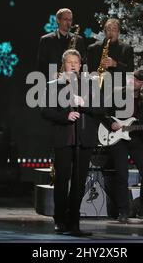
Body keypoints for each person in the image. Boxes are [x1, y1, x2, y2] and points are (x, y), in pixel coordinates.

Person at [41, 49, 103, 236]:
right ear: (64, 65)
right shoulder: (54, 85)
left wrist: (84, 104)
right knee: (62, 180)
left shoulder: (90, 85)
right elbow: (45, 111)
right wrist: (65, 115)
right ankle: (60, 220)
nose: (74, 65)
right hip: (64, 139)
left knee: (79, 182)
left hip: (84, 140)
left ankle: (74, 222)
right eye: (70, 62)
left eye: (76, 62)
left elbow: (100, 109)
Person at [102, 70, 143, 224]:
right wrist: (111, 123)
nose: (132, 81)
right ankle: (123, 211)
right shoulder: (116, 94)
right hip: (117, 138)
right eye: (131, 78)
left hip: (135, 139)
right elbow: (103, 112)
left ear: (142, 84)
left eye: (136, 80)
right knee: (122, 173)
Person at [37, 8, 86, 80]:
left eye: (70, 20)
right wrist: (52, 74)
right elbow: (41, 64)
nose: (68, 23)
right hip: (53, 82)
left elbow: (83, 62)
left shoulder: (79, 40)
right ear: (58, 20)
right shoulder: (46, 40)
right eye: (65, 19)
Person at [87, 18, 134, 88]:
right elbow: (88, 70)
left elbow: (130, 70)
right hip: (97, 87)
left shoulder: (127, 49)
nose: (111, 32)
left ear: (118, 32)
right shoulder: (93, 48)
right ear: (105, 32)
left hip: (118, 89)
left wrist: (115, 64)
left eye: (114, 30)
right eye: (108, 29)